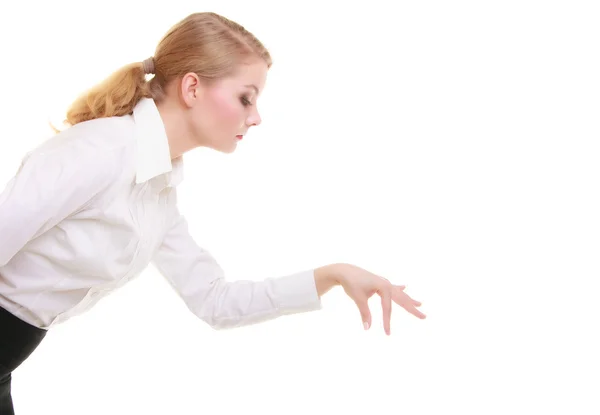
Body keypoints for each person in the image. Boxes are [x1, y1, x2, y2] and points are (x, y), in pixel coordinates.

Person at [0, 11, 426, 413]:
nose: (256, 117)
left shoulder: (158, 190)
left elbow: (214, 301)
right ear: (192, 88)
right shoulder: (100, 151)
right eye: (246, 98)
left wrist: (331, 275)